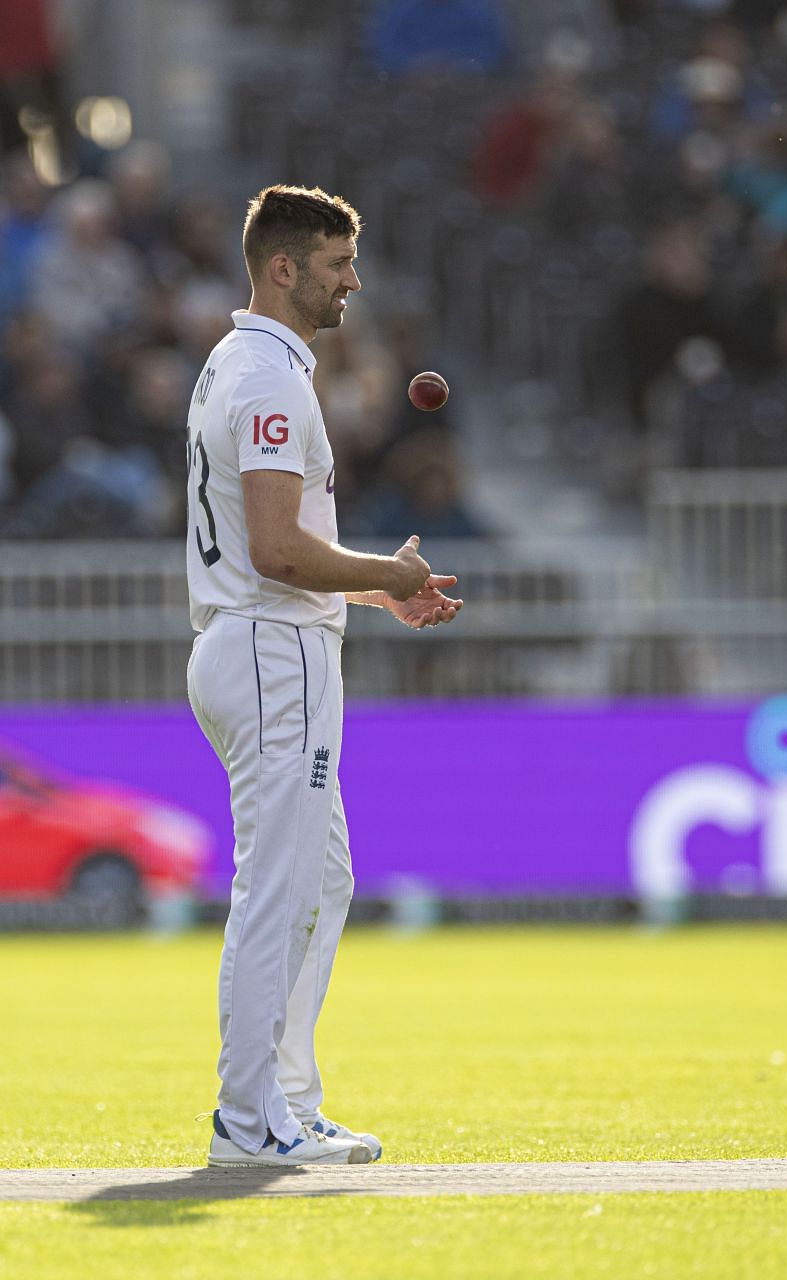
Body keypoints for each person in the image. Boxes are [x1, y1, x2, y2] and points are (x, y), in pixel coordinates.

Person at [185, 185, 463, 1168]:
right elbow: (276, 549)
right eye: (340, 263)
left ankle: (287, 1102)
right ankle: (249, 1118)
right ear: (283, 268)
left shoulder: (244, 361)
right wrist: (386, 572)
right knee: (280, 883)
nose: (354, 281)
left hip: (268, 639)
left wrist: (376, 593)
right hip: (269, 647)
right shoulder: (268, 378)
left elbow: (286, 550)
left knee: (321, 877)